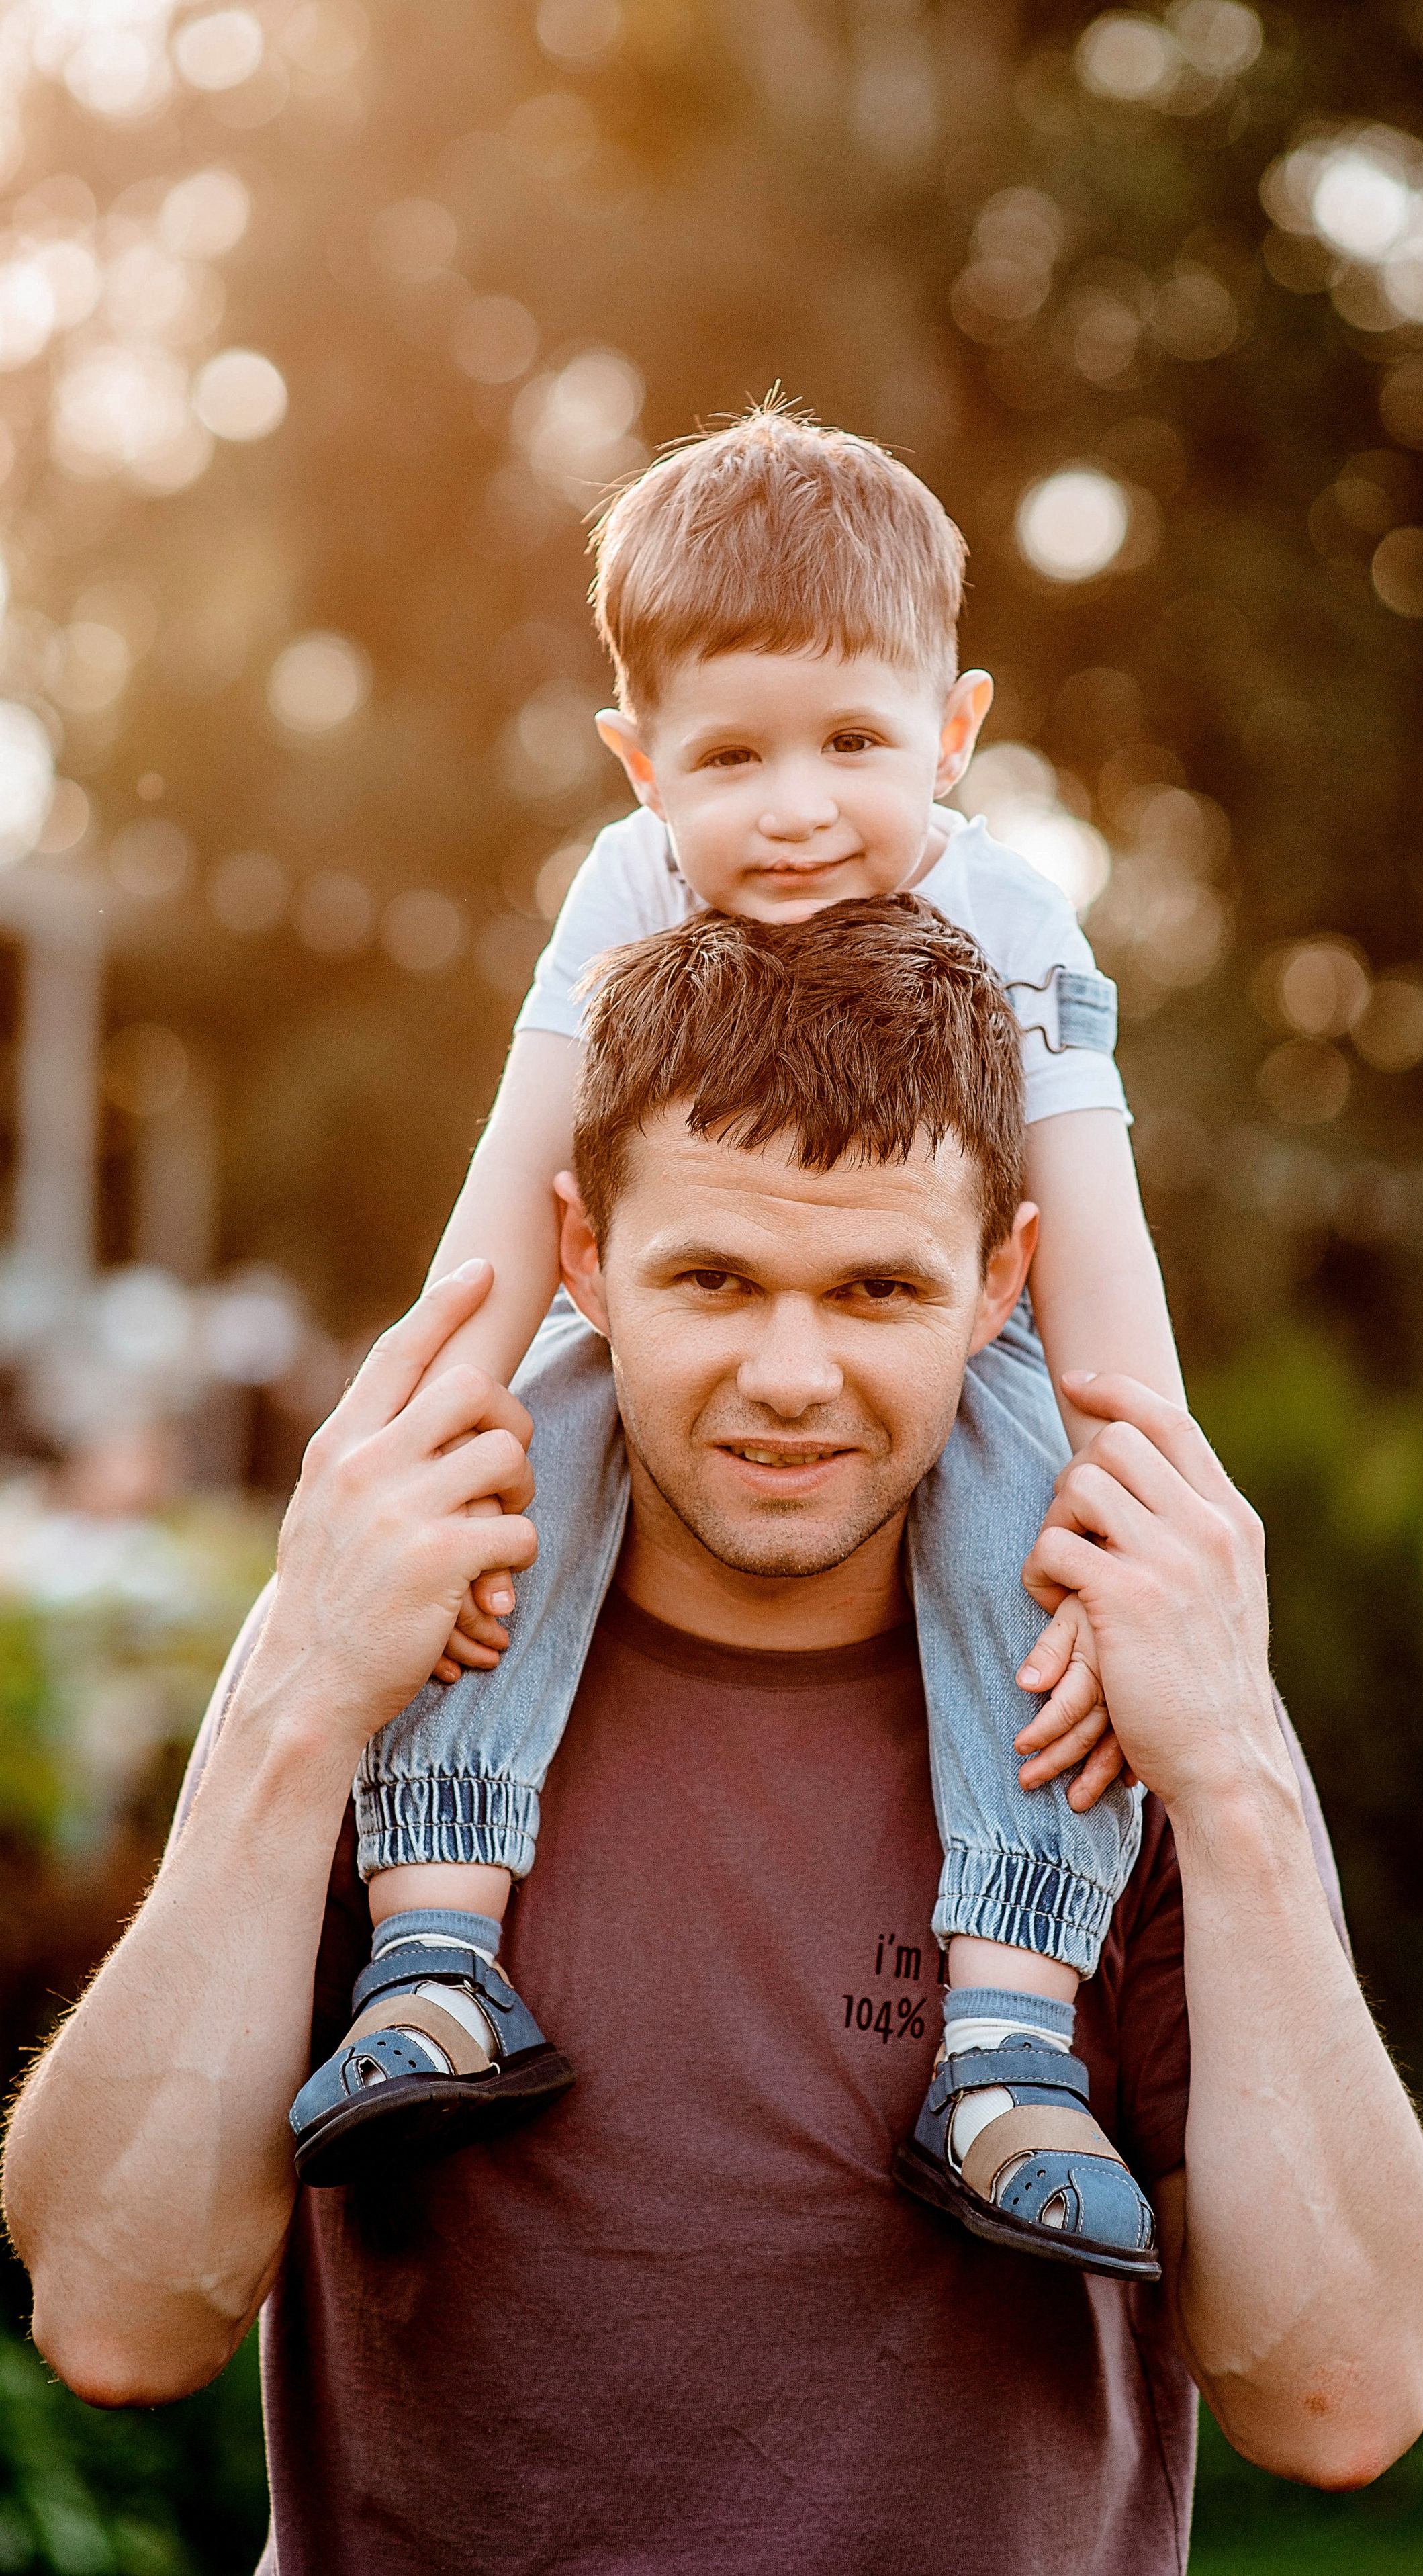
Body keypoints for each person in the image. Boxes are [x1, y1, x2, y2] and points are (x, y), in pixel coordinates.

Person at [3, 898, 1423, 2575]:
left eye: (874, 1287)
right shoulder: (383, 1648)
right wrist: (296, 1700)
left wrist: (1235, 1778)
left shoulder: (1125, 1695)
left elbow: (1337, 2399)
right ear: (582, 1259)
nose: (790, 1373)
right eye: (712, 1277)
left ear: (998, 1281)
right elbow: (121, 2317)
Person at [285, 402, 1193, 2272]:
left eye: (853, 742)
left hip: (949, 1340)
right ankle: (435, 1950)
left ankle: (1009, 2035)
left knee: (1030, 1524)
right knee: (531, 1425)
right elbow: (517, 1191)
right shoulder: (627, 887)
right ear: (641, 765)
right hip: (668, 1312)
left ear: (953, 730)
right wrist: (419, 1449)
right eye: (729, 754)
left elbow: (1094, 1242)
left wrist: (1148, 1523)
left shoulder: (1012, 915)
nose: (793, 809)